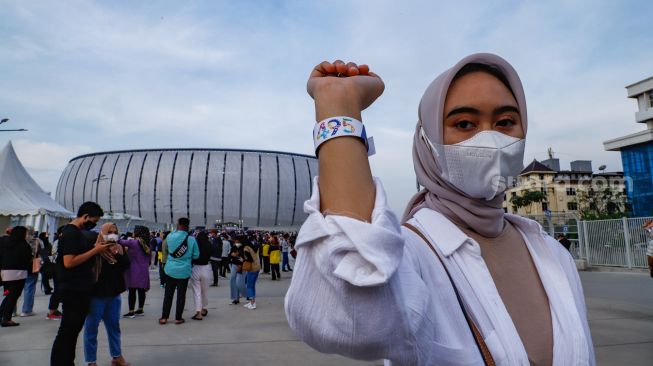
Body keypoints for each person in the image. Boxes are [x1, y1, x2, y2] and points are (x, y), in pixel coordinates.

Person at [285, 55, 595, 365]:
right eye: (464, 124)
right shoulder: (411, 255)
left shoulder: (551, 253)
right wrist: (337, 103)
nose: (490, 139)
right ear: (427, 142)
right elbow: (348, 315)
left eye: (505, 123)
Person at [51, 201, 111, 365]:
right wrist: (95, 250)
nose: (94, 224)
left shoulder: (76, 233)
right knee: (68, 331)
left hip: (79, 289)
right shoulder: (71, 233)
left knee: (72, 331)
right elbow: (69, 262)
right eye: (94, 220)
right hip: (73, 290)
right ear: (85, 216)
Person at [83, 223, 131, 366]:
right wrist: (97, 251)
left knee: (114, 327)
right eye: (109, 231)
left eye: (115, 232)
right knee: (91, 329)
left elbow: (126, 266)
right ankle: (91, 361)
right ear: (102, 232)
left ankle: (117, 356)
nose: (112, 234)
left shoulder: (119, 248)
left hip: (114, 294)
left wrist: (117, 252)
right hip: (96, 295)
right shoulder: (94, 248)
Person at [159, 218, 199, 325]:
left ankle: (164, 317)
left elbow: (166, 250)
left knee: (168, 294)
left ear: (178, 224)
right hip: (184, 271)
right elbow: (196, 255)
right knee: (181, 295)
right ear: (188, 226)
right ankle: (178, 318)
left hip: (170, 269)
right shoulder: (191, 239)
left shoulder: (170, 236)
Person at [0, 226, 32, 327]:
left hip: (6, 272)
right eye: (26, 233)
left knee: (10, 295)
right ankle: (6, 319)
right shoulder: (23, 244)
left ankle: (2, 314)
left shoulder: (5, 242)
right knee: (13, 296)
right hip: (19, 273)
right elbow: (27, 258)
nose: (27, 235)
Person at [119, 226, 151, 318]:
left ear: (137, 233)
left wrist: (122, 236)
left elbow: (118, 241)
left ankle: (131, 311)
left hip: (134, 270)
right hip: (144, 270)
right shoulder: (147, 244)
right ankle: (140, 309)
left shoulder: (133, 242)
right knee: (141, 291)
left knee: (132, 291)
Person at [20, 228, 43, 317]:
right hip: (31, 267)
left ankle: (11, 311)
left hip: (18, 266)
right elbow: (41, 253)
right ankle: (26, 310)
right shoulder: (36, 241)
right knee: (29, 288)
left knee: (14, 290)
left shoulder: (18, 240)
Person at [190, 231, 212, 320]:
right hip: (206, 268)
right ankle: (204, 308)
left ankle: (198, 313)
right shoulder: (209, 244)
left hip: (195, 268)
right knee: (205, 291)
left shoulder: (195, 244)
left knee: (197, 291)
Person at [46, 227, 65, 320]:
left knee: (58, 289)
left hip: (56, 267)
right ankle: (52, 311)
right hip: (58, 268)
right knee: (58, 289)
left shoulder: (57, 241)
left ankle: (53, 310)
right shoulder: (60, 241)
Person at [242, 237, 260, 310]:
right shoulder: (253, 247)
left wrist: (243, 259)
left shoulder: (246, 248)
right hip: (257, 267)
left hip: (252, 268)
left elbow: (249, 259)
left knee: (249, 286)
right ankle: (251, 301)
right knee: (252, 285)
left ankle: (252, 303)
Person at [228, 240, 246, 305]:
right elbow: (230, 256)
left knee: (240, 282)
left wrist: (236, 256)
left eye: (238, 241)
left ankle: (248, 296)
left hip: (242, 266)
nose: (237, 243)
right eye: (235, 241)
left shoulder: (244, 247)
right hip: (234, 265)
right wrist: (232, 255)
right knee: (232, 280)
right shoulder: (234, 247)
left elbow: (244, 258)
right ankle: (235, 298)